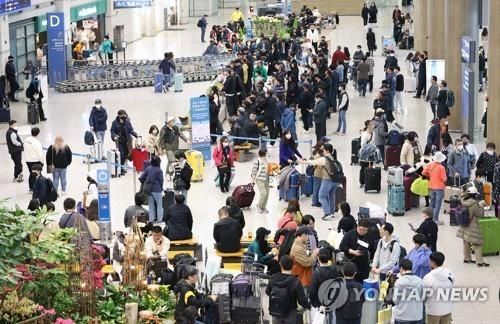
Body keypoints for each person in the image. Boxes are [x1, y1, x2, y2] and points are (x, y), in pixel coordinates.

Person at [300, 143, 342, 220]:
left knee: (322, 196)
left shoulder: (324, 159)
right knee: (331, 196)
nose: (323, 151)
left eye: (324, 150)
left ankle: (327, 213)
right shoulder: (333, 157)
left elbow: (312, 162)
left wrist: (301, 162)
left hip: (327, 180)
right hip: (335, 180)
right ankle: (332, 212)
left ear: (327, 150)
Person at [266, 255, 311, 324]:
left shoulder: (273, 278)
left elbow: (267, 291)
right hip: (290, 312)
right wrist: (309, 306)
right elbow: (301, 300)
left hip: (276, 310)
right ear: (292, 266)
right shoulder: (295, 281)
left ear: (280, 265)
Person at [458, 186, 489, 267]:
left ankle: (467, 258)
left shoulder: (463, 200)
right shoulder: (474, 204)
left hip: (464, 224)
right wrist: (481, 206)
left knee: (466, 241)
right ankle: (479, 261)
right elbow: (479, 214)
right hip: (472, 225)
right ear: (474, 195)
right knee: (478, 243)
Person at [309, 248, 341, 321]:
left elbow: (312, 291)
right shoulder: (334, 271)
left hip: (318, 303)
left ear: (318, 258)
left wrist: (312, 301)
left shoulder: (316, 273)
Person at [423, 252, 454, 324]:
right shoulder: (450, 274)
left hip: (433, 311)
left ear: (433, 262)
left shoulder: (428, 277)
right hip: (447, 309)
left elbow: (424, 295)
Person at [392, 259, 424, 324]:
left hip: (402, 317)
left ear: (401, 268)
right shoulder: (420, 281)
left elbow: (396, 300)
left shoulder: (399, 282)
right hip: (417, 316)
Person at [422, 152, 448, 225]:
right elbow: (444, 179)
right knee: (438, 204)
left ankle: (429, 217)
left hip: (431, 186)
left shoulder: (430, 164)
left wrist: (429, 176)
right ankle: (435, 219)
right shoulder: (441, 167)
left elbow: (423, 172)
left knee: (432, 203)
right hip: (439, 188)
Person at [110, 110, 138, 175]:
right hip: (119, 142)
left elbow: (131, 130)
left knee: (126, 155)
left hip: (127, 142)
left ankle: (124, 166)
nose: (123, 118)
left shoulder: (127, 122)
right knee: (121, 155)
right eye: (122, 117)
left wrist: (136, 135)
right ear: (119, 116)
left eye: (124, 116)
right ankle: (121, 169)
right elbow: (112, 131)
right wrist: (114, 136)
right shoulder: (114, 123)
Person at [139, 155, 164, 224]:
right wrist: (161, 188)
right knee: (159, 205)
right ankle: (159, 220)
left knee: (151, 205)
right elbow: (161, 180)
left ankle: (151, 220)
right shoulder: (159, 170)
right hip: (157, 190)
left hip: (149, 190)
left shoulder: (148, 168)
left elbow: (142, 177)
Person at [24, 127, 43, 191]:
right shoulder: (37, 143)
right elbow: (39, 154)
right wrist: (42, 162)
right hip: (35, 161)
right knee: (37, 175)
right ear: (38, 134)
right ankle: (37, 188)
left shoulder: (26, 140)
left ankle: (31, 188)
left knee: (31, 174)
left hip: (28, 160)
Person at [251, 149, 270, 213]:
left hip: (266, 179)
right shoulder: (257, 161)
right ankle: (259, 205)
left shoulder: (267, 160)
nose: (268, 154)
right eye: (267, 153)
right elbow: (254, 171)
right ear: (264, 154)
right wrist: (252, 180)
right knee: (263, 193)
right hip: (259, 179)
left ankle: (264, 207)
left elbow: (268, 169)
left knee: (267, 193)